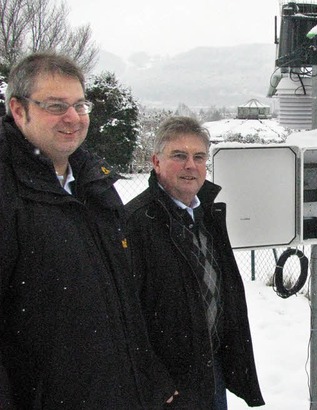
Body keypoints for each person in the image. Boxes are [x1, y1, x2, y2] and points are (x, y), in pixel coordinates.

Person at [0, 52, 176, 408]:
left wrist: (147, 374)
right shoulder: (8, 192)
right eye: (55, 105)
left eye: (80, 105)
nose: (73, 118)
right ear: (19, 111)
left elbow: (121, 295)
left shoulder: (93, 184)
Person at [125, 116, 264, 409]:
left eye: (199, 157)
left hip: (210, 370)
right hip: (169, 386)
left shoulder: (208, 216)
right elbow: (124, 315)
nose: (191, 165)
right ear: (156, 161)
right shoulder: (135, 223)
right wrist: (156, 380)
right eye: (179, 156)